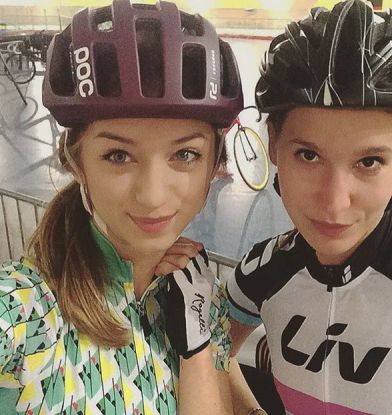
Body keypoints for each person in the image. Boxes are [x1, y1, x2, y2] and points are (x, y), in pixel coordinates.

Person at [225, 1, 392, 414]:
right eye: (308, 155)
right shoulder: (262, 269)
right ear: (274, 144)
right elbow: (211, 353)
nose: (335, 201)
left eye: (369, 162)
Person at [0, 0, 245, 414]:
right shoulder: (23, 311)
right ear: (76, 162)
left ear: (215, 166)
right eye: (117, 155)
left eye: (185, 155)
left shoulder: (203, 297)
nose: (152, 196)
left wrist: (198, 343)